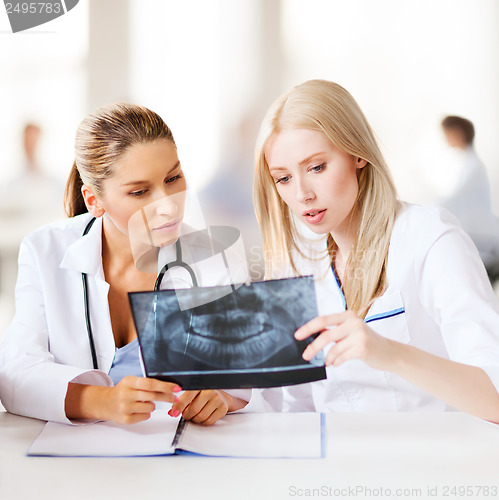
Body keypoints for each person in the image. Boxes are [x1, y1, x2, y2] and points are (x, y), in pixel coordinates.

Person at [249, 80, 499, 422]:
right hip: (333, 468)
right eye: (283, 178)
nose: (302, 194)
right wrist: (227, 397)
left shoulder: (429, 236)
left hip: (429, 464)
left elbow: (495, 397)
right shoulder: (296, 264)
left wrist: (390, 353)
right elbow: (289, 407)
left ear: (358, 154)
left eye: (317, 167)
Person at [0, 103, 249, 425]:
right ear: (94, 200)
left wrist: (221, 397)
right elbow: (15, 370)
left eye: (173, 178)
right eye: (140, 191)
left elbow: (246, 377)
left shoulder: (218, 262)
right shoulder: (44, 249)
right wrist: (100, 401)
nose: (168, 207)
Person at [437, 115, 499, 279]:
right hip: (478, 238)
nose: (446, 139)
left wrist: (424, 208)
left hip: (484, 242)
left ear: (458, 133)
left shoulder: (473, 166)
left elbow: (453, 199)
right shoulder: (464, 164)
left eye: (447, 134)